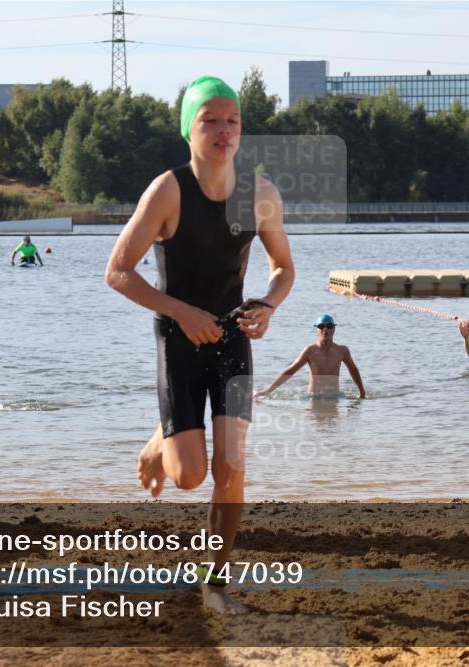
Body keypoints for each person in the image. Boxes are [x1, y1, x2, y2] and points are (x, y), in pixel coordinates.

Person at [105, 75, 294, 615]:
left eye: (231, 120)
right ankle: (159, 442)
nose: (222, 130)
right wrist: (181, 311)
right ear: (188, 129)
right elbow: (118, 272)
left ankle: (213, 584)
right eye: (209, 119)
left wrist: (268, 306)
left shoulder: (260, 195)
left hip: (233, 339)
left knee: (231, 467)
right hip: (180, 340)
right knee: (189, 476)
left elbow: (284, 268)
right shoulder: (168, 191)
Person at [254, 314, 365, 400]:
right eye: (321, 326)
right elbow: (291, 370)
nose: (325, 329)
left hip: (334, 397)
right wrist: (268, 391)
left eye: (329, 326)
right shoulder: (310, 351)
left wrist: (362, 392)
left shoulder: (342, 350)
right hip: (313, 398)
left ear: (334, 329)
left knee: (333, 427)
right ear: (317, 330)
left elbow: (353, 370)